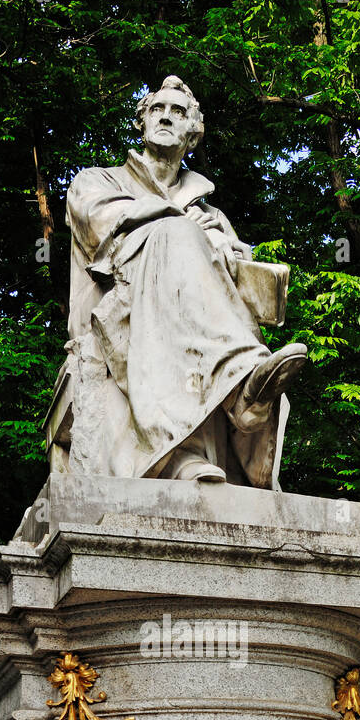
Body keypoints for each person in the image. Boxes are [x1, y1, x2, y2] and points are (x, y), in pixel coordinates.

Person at [64, 76, 307, 485]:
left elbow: (242, 286)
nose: (164, 117)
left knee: (198, 279)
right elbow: (101, 225)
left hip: (195, 328)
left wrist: (222, 247)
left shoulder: (212, 216)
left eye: (177, 112)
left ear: (192, 134)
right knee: (175, 239)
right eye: (156, 109)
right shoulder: (97, 181)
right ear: (141, 122)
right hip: (122, 312)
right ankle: (239, 391)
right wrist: (181, 225)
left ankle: (211, 428)